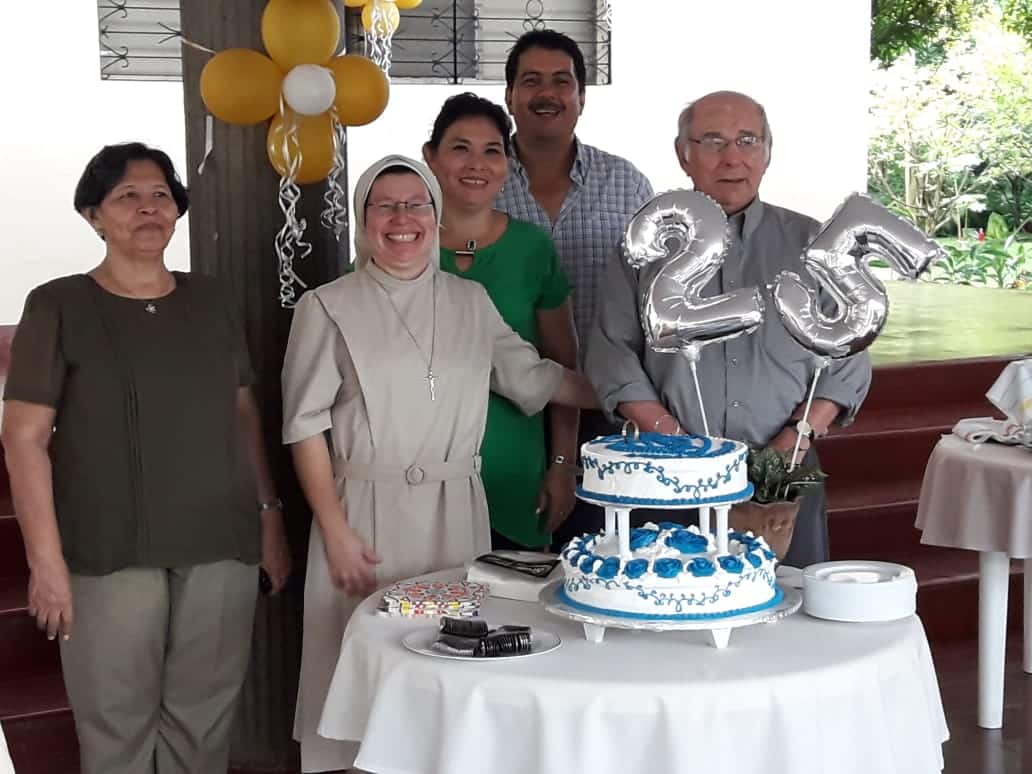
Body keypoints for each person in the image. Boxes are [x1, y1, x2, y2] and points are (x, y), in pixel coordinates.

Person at [282, 155, 598, 772]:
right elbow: (304, 427)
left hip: (455, 514)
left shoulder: (470, 300)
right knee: (362, 676)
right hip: (364, 516)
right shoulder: (327, 306)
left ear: (435, 214)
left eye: (416, 204)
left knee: (452, 665)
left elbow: (533, 377)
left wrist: (632, 395)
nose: (402, 218)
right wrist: (335, 530)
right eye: (385, 206)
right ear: (363, 220)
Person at [0, 142, 291, 774]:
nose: (147, 208)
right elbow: (23, 439)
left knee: (203, 726)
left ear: (178, 210)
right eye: (126, 196)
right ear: (93, 215)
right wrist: (45, 563)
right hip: (107, 553)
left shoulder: (211, 301)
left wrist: (269, 519)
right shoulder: (58, 305)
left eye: (160, 195)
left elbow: (243, 415)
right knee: (116, 730)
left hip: (221, 546)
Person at [585, 91, 873, 567]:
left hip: (785, 472)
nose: (732, 157)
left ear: (767, 153)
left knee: (788, 602)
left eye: (748, 141)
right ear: (684, 155)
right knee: (673, 598)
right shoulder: (644, 248)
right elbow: (612, 354)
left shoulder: (814, 243)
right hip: (669, 473)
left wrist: (791, 443)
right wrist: (680, 445)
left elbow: (849, 358)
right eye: (713, 141)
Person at [497, 28, 655, 547]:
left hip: (607, 410)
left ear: (581, 98)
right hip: (501, 411)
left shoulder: (626, 185)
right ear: (510, 96)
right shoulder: (480, 182)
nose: (547, 93)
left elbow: (653, 300)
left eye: (561, 81)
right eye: (531, 81)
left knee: (607, 556)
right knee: (510, 564)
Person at [423, 92, 579, 550]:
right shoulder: (398, 245)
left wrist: (563, 464)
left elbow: (562, 363)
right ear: (430, 157)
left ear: (507, 165)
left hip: (513, 475)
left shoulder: (532, 248)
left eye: (492, 151)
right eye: (460, 148)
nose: (477, 164)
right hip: (419, 480)